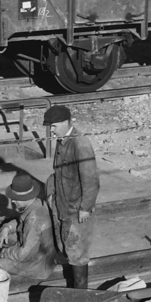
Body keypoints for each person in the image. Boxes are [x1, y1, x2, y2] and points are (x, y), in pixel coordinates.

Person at [44, 104, 99, 289]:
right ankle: (72, 288)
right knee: (67, 248)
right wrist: (50, 194)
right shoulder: (62, 141)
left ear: (67, 122)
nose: (51, 130)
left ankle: (78, 301)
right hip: (63, 207)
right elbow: (57, 173)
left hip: (76, 212)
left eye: (54, 126)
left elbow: (91, 180)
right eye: (50, 126)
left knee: (78, 256)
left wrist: (85, 208)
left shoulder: (80, 144)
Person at [0, 171, 56, 281]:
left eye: (15, 198)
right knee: (7, 238)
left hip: (39, 265)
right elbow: (20, 221)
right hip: (42, 254)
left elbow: (24, 255)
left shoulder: (33, 220)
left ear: (25, 198)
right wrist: (6, 228)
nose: (13, 201)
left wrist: (5, 252)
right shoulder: (37, 203)